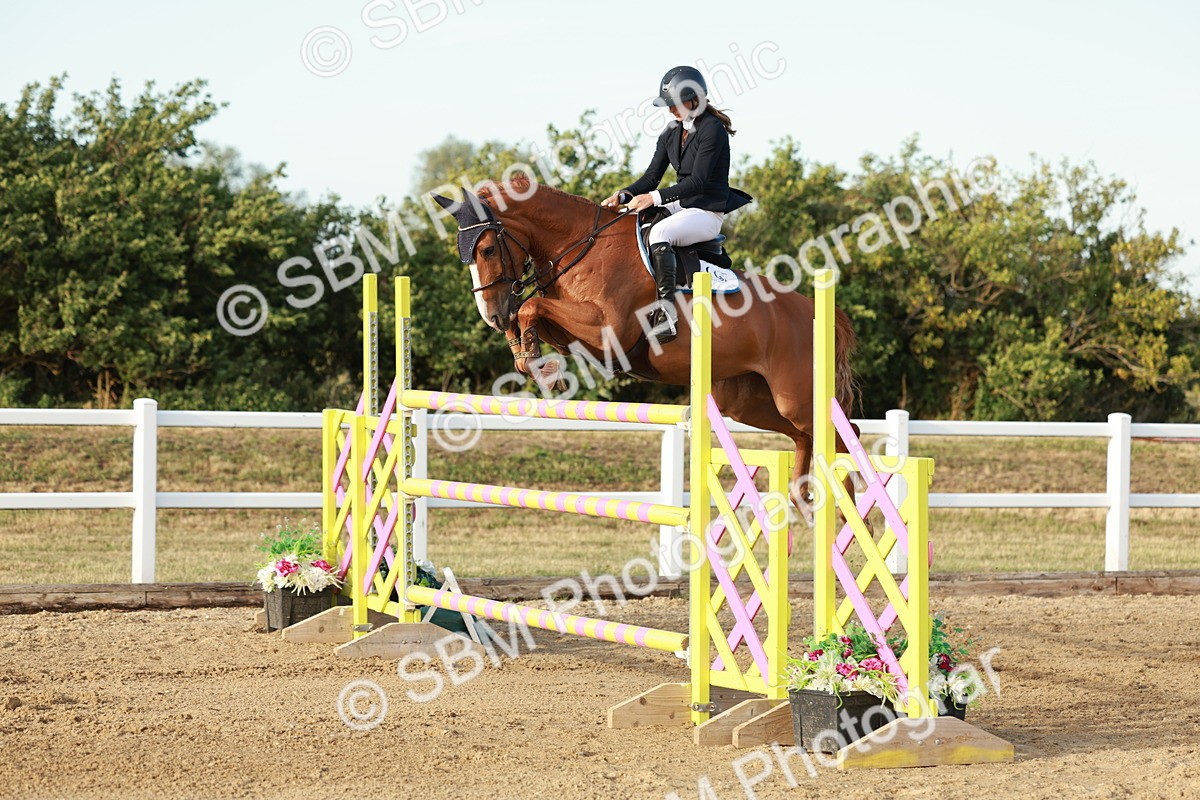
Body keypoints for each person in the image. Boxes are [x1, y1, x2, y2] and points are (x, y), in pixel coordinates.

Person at [602, 66, 753, 342]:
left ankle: (667, 314)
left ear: (694, 98)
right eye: (668, 105)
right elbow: (651, 177)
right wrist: (623, 195)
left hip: (706, 211)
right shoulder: (672, 132)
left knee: (660, 233)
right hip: (682, 206)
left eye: (674, 103)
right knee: (634, 220)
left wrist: (655, 198)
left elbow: (697, 182)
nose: (670, 110)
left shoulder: (713, 130)